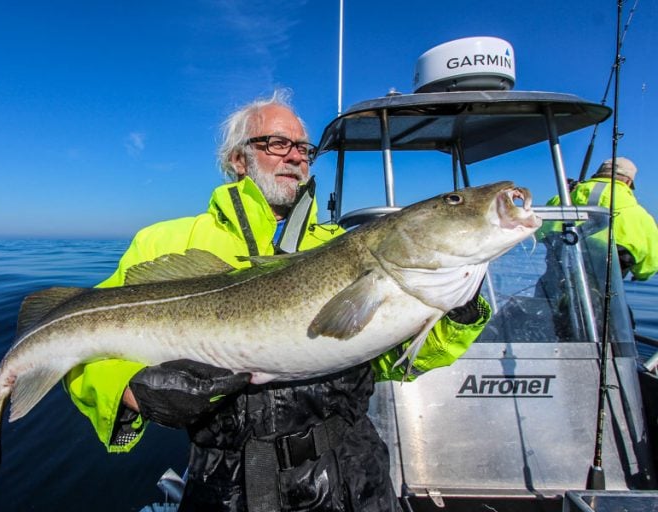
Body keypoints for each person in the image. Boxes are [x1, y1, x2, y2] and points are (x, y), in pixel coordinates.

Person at [64, 91, 491, 512]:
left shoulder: (345, 248)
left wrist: (457, 313)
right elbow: (75, 339)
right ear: (238, 159)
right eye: (278, 144)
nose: (296, 157)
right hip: (228, 485)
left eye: (304, 149)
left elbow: (393, 360)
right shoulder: (164, 243)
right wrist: (128, 390)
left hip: (352, 475)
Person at [545, 157, 658, 281]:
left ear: (596, 175)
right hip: (602, 296)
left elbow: (537, 232)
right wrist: (640, 274)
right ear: (628, 182)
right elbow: (648, 268)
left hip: (551, 290)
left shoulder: (559, 201)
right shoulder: (642, 218)